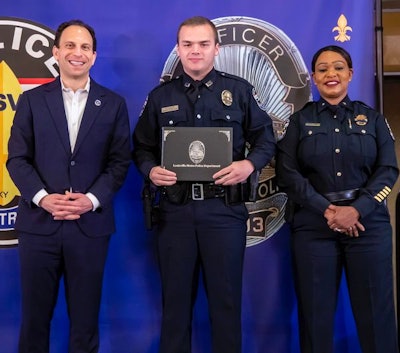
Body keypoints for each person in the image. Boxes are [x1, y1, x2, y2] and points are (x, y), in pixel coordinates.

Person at [132, 16, 276, 353]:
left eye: (203, 44)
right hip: (175, 212)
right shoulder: (160, 97)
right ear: (179, 49)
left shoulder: (238, 92)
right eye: (187, 44)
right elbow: (141, 147)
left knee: (226, 306)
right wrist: (151, 171)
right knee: (175, 308)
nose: (195, 51)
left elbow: (266, 140)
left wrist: (248, 164)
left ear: (216, 48)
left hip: (223, 211)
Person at [7, 19, 131, 353]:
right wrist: (43, 198)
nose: (78, 53)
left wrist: (91, 200)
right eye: (71, 46)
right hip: (39, 226)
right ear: (56, 52)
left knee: (85, 322)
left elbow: (120, 163)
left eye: (85, 47)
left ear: (94, 56)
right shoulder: (31, 101)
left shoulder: (114, 104)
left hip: (89, 227)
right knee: (34, 322)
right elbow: (16, 159)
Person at [276, 45, 399, 353]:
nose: (331, 73)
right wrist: (327, 210)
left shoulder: (373, 120)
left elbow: (388, 171)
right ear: (314, 79)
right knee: (315, 318)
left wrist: (356, 210)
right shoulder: (299, 122)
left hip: (368, 226)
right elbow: (287, 174)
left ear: (350, 74)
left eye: (339, 67)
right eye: (323, 69)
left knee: (376, 317)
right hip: (314, 228)